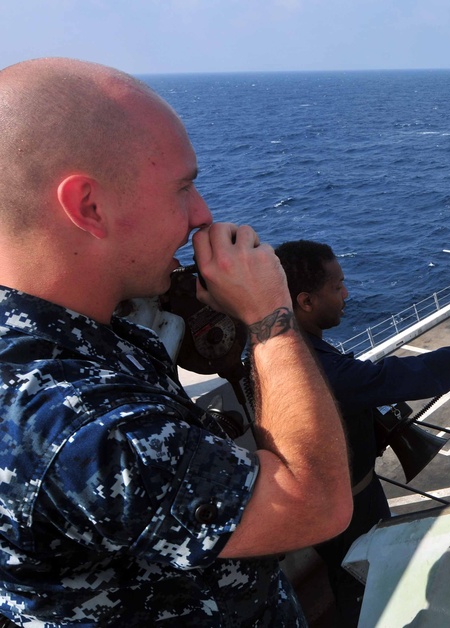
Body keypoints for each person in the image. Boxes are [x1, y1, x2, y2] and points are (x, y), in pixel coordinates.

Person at [0, 58, 354, 625]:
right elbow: (317, 504)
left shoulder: (70, 333)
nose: (202, 214)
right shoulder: (70, 423)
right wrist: (270, 316)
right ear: (89, 207)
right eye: (183, 187)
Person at [275, 239, 450, 626]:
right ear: (305, 301)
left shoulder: (286, 347)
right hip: (348, 509)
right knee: (366, 584)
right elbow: (394, 376)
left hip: (334, 500)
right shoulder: (313, 367)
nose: (347, 294)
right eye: (337, 287)